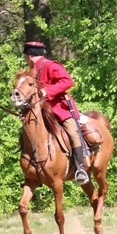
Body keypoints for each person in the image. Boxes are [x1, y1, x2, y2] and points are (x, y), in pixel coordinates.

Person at [23, 41, 90, 185]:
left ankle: (80, 169)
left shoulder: (51, 66)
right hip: (40, 111)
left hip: (59, 108)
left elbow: (68, 82)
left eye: (25, 56)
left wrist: (47, 91)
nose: (25, 59)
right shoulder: (29, 71)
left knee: (72, 132)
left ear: (29, 56)